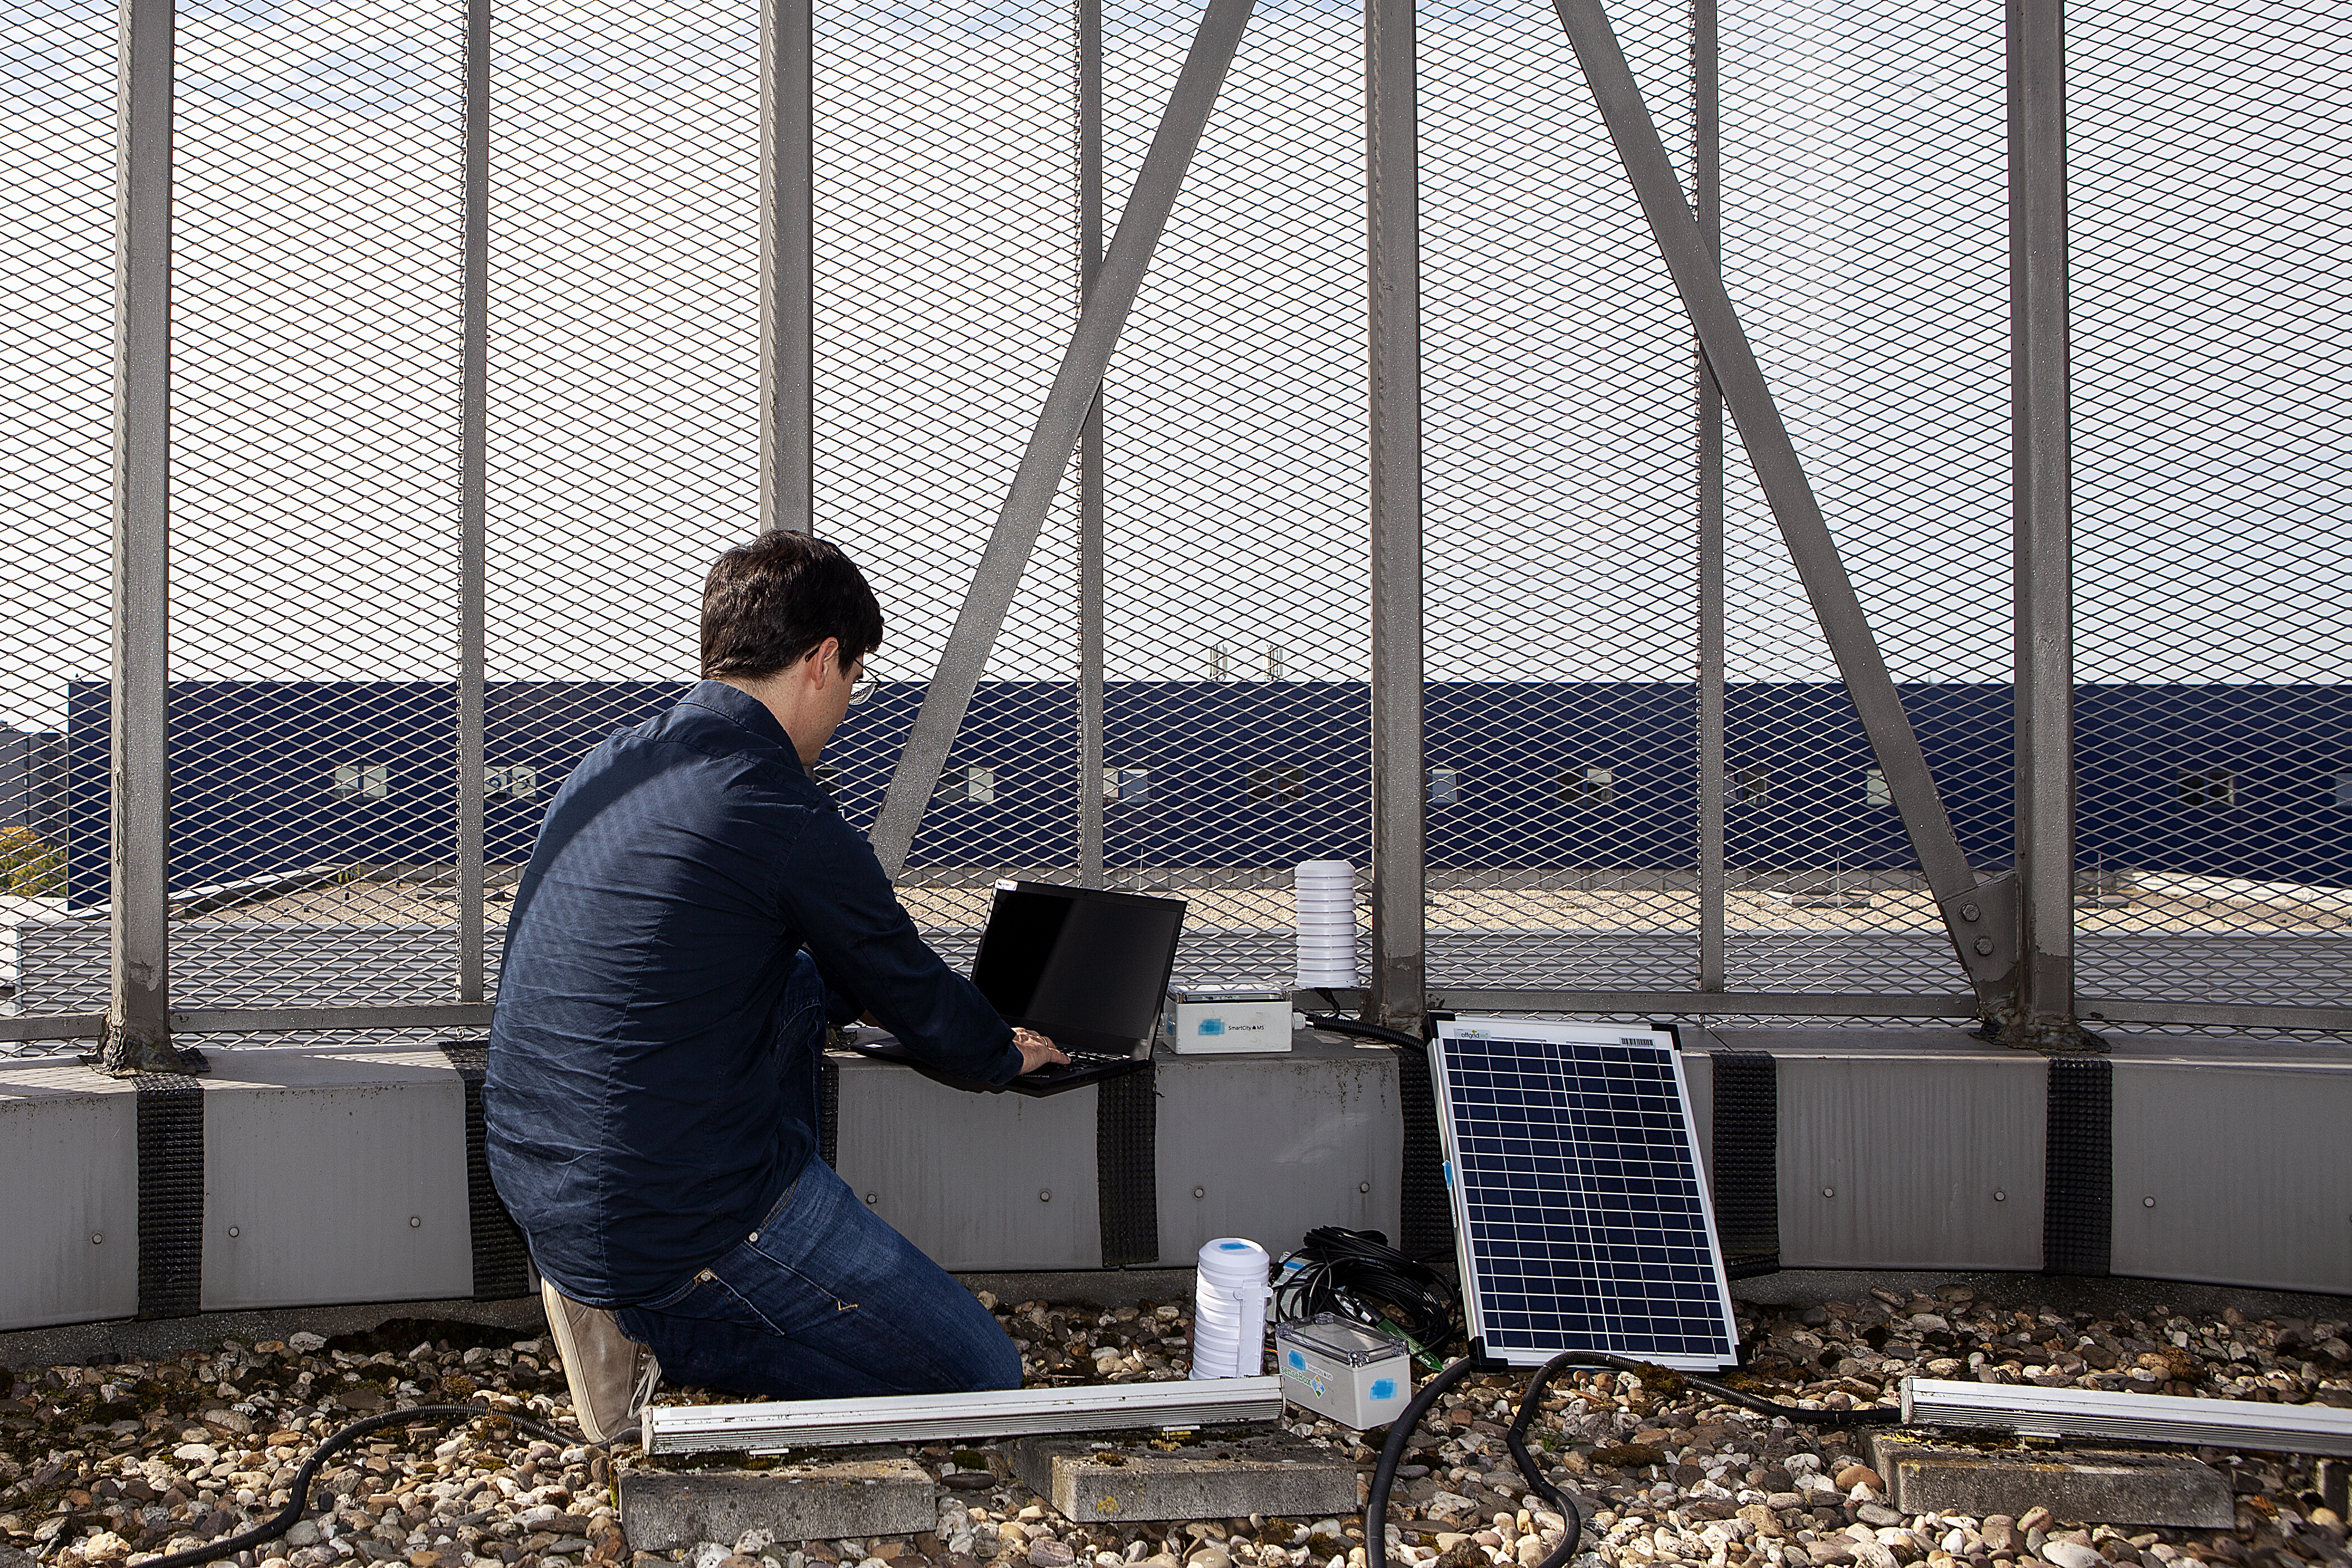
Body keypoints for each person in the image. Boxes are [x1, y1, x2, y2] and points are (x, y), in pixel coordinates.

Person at [482, 531, 1069, 1440]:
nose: (846, 706)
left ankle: (646, 1291)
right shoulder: (778, 802)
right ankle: (668, 1325)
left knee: (799, 980)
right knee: (982, 1373)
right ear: (823, 660)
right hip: (675, 1211)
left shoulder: (611, 765)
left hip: (543, 1178)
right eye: (856, 679)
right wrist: (1002, 1049)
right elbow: (908, 984)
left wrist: (856, 986)